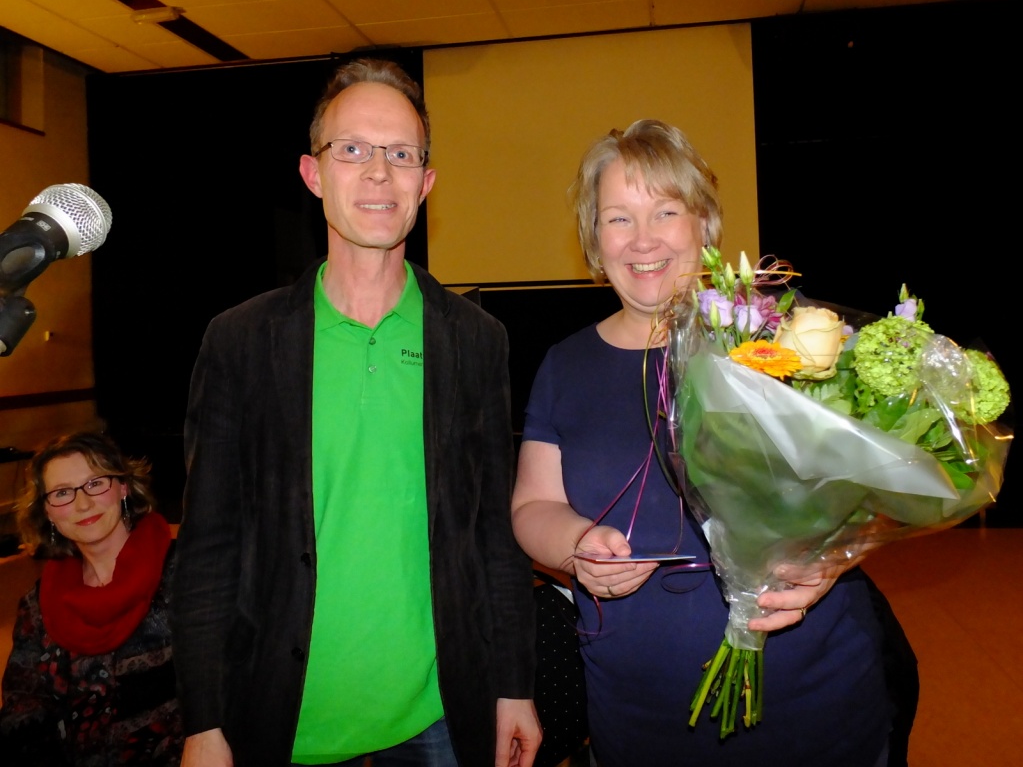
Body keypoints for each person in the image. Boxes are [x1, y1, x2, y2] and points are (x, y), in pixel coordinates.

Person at [170, 57, 541, 767]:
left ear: (425, 183)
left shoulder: (475, 340)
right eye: (352, 150)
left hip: (439, 715)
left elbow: (494, 534)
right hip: (281, 715)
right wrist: (204, 721)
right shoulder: (241, 341)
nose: (378, 173)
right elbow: (209, 545)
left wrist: (512, 686)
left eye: (401, 154)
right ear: (312, 174)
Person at [510, 119, 906, 766]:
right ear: (593, 239)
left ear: (704, 224)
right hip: (637, 713)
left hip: (814, 700)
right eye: (617, 218)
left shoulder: (780, 339)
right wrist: (575, 545)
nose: (642, 239)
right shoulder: (565, 365)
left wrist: (829, 559)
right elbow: (532, 505)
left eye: (665, 211)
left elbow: (876, 485)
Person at [0, 430, 182, 765]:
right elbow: (24, 704)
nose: (82, 504)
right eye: (62, 493)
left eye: (95, 483)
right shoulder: (37, 604)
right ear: (48, 511)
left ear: (123, 487)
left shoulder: (184, 571)